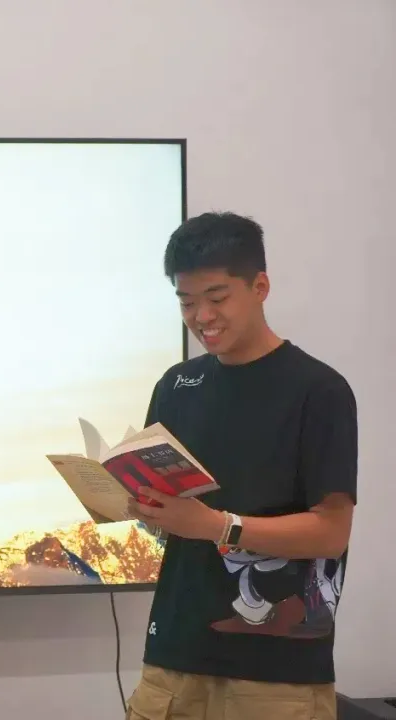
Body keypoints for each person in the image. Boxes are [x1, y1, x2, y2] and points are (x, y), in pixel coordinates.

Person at [124, 212, 357, 720]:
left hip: (276, 673)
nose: (201, 316)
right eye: (186, 302)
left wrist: (217, 525)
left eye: (217, 297)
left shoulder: (318, 390)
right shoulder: (176, 386)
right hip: (173, 656)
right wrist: (146, 509)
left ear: (260, 287)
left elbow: (331, 532)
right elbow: (168, 519)